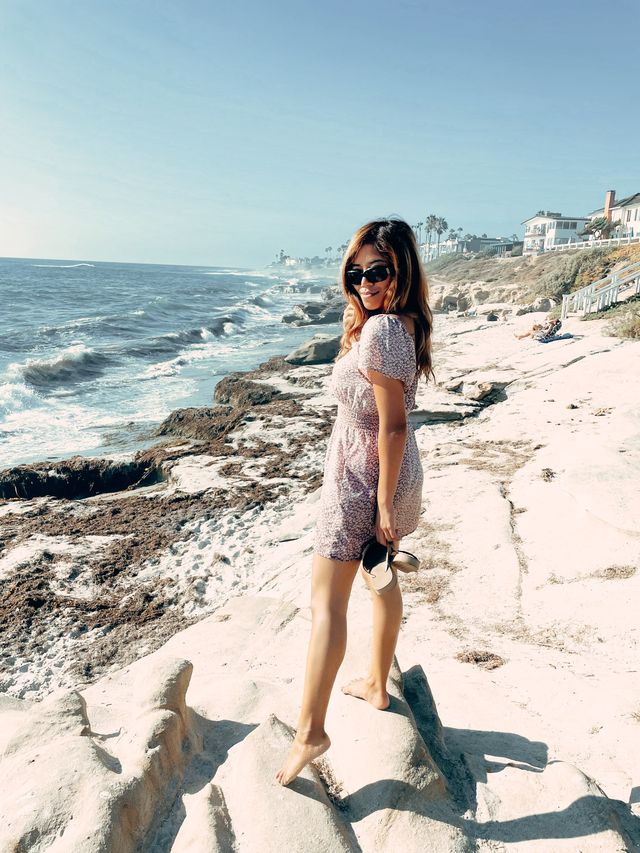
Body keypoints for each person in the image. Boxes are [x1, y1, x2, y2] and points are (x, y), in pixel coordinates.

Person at [275, 218, 434, 786]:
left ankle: (310, 732)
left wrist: (384, 506)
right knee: (381, 578)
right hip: (379, 474)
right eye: (357, 270)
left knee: (327, 606)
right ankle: (375, 681)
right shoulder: (396, 325)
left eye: (379, 270)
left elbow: (392, 426)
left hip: (363, 479)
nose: (365, 280)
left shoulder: (382, 331)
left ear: (402, 272)